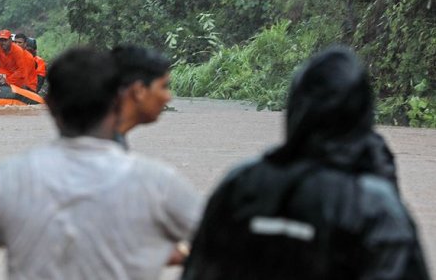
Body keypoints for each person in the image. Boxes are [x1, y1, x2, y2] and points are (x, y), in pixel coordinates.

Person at [0, 47, 203, 280]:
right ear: (119, 100)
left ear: (48, 105)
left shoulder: (7, 177)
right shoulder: (158, 182)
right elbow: (227, 247)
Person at [182, 47, 430, 280]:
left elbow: (198, 271)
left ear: (295, 109)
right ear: (361, 113)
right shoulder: (374, 205)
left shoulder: (240, 184)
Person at [111, 44, 172, 149]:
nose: (168, 97)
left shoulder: (105, 138)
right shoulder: (104, 149)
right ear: (139, 90)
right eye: (163, 87)